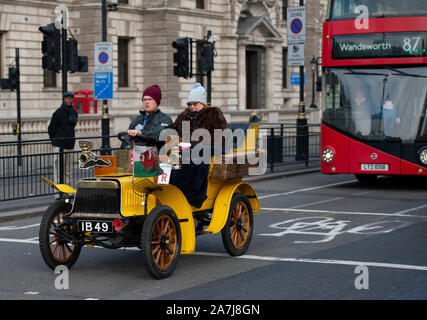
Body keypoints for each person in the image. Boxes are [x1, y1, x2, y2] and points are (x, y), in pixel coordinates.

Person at [169, 83, 227, 208]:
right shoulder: (182, 116)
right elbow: (173, 132)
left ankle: (195, 195)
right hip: (187, 148)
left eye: (195, 104)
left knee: (199, 153)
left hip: (211, 147)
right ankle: (174, 190)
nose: (192, 107)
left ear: (203, 103)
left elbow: (220, 135)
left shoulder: (213, 113)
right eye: (190, 104)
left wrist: (196, 143)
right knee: (174, 154)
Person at [121, 84, 173, 149]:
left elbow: (158, 135)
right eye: (144, 100)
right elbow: (126, 139)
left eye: (150, 99)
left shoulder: (165, 119)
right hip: (137, 155)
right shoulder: (137, 120)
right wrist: (125, 147)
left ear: (157, 102)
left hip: (157, 156)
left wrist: (140, 133)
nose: (147, 102)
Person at [48, 91, 78, 185]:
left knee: (68, 170)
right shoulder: (58, 112)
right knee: (58, 169)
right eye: (67, 98)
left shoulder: (74, 113)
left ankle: (68, 190)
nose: (69, 100)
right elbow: (51, 128)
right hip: (59, 145)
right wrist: (55, 140)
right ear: (63, 99)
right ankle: (58, 192)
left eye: (70, 98)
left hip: (69, 145)